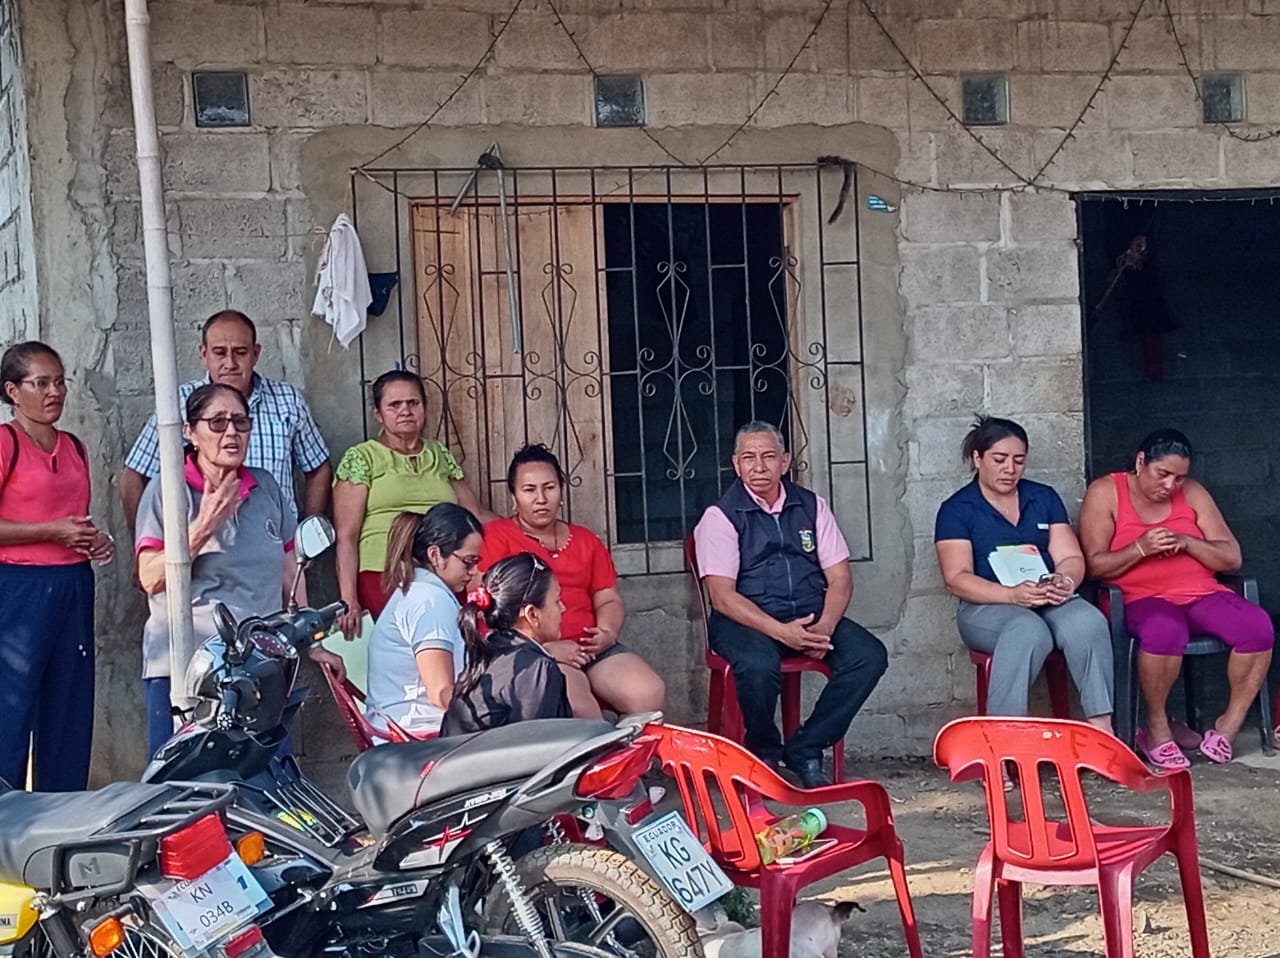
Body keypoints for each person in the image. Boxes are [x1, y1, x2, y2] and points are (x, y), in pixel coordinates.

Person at [135, 383, 344, 757]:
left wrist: (313, 643)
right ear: (190, 432)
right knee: (189, 781)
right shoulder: (167, 490)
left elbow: (289, 568)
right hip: (192, 671)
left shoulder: (265, 486)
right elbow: (149, 578)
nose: (231, 432)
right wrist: (204, 526)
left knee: (268, 776)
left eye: (240, 422)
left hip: (261, 667)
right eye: (217, 423)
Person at [692, 421, 887, 789]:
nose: (758, 466)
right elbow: (722, 596)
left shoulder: (811, 506)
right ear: (736, 465)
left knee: (869, 656)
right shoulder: (721, 516)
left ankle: (806, 747)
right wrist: (782, 632)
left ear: (785, 462)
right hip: (744, 620)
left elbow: (840, 578)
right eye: (748, 458)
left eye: (768, 457)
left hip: (811, 614)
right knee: (758, 666)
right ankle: (764, 750)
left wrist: (825, 627)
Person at [1078, 428, 1274, 768]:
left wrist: (1187, 542)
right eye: (1163, 474)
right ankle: (1157, 728)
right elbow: (1093, 566)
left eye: (1179, 478)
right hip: (1136, 598)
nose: (1170, 485)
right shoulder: (1106, 492)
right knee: (1165, 630)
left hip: (1201, 593)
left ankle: (1228, 727)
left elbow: (1231, 557)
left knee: (1257, 626)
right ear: (1141, 462)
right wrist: (1140, 548)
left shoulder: (1193, 493)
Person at [934, 417, 1114, 735]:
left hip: (1046, 597)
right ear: (978, 459)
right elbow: (956, 578)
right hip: (987, 606)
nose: (1010, 469)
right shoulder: (957, 509)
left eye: (1018, 460)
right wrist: (1011, 595)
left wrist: (1064, 581)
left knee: (1088, 621)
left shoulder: (1043, 498)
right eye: (999, 459)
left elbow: (1070, 557)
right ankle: (1006, 737)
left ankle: (1101, 729)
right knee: (1026, 629)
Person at [479, 444, 665, 718]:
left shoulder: (585, 540)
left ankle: (628, 747)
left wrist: (607, 633)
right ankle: (600, 747)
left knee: (648, 693)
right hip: (539, 651)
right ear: (514, 497)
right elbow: (489, 609)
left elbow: (608, 598)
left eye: (549, 487)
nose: (541, 498)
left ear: (561, 491)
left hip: (591, 649)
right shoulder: (497, 537)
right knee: (580, 708)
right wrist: (542, 648)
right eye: (529, 490)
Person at [0, 342, 112, 791]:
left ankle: (63, 810)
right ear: (13, 391)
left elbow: (72, 519)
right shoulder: (6, 443)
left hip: (72, 584)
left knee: (68, 708)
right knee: (11, 708)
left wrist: (93, 538)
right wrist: (51, 532)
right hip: (19, 588)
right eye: (41, 383)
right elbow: (51, 525)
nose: (54, 392)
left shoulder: (74, 448)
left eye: (60, 382)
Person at [120, 310, 332, 530]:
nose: (230, 363)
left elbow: (318, 468)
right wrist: (150, 544)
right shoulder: (179, 404)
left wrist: (306, 536)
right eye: (219, 352)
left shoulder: (287, 401)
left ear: (255, 353)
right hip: (203, 542)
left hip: (276, 540)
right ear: (204, 354)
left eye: (240, 352)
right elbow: (135, 476)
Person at [333, 371, 493, 635]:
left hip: (445, 572)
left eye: (413, 403)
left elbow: (474, 513)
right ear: (378, 414)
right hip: (384, 574)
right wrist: (349, 599)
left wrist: (525, 526)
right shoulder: (362, 458)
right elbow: (346, 536)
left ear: (424, 408)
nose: (405, 411)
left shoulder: (438, 454)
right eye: (394, 405)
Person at [364, 504, 483, 735]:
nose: (474, 571)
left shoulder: (420, 591)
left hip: (406, 729)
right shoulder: (430, 600)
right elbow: (441, 693)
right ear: (435, 555)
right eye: (468, 562)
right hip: (418, 735)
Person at [442, 552, 572, 735]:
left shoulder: (489, 651)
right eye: (557, 601)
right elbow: (538, 745)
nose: (563, 608)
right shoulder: (535, 669)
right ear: (532, 614)